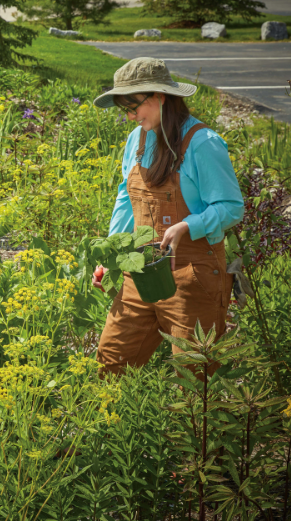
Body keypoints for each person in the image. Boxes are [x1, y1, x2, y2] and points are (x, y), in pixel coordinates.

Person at [91, 57, 244, 374]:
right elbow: (125, 196)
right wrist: (112, 253)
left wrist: (188, 225)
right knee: (110, 364)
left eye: (135, 107)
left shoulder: (203, 143)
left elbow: (231, 207)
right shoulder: (138, 137)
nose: (131, 116)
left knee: (194, 378)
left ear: (160, 96)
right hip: (140, 271)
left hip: (193, 276)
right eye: (126, 110)